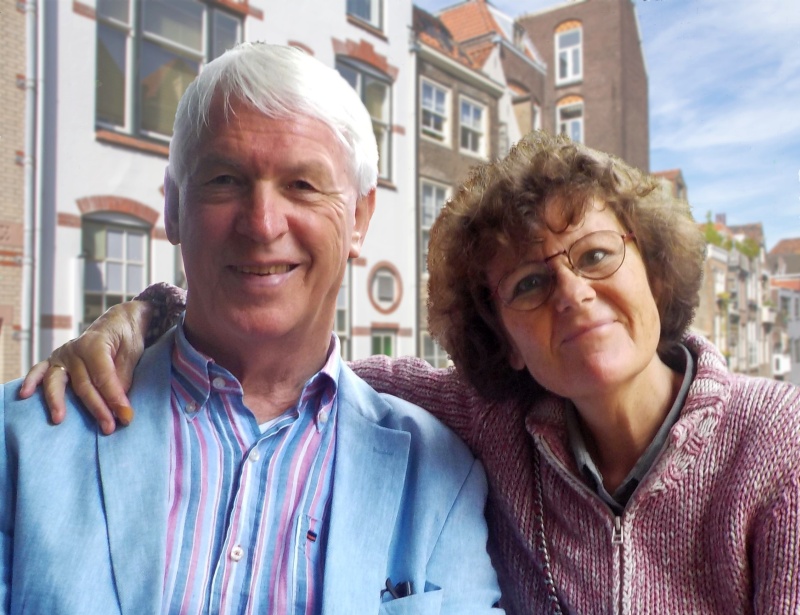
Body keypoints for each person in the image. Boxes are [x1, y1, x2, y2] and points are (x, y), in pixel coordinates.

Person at [23, 132, 800, 613]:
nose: (572, 293)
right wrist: (146, 317)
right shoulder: (493, 421)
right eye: (530, 283)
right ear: (504, 339)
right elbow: (298, 360)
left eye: (596, 254)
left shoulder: (776, 443)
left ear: (653, 272)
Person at [1, 42, 504, 614]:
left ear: (360, 218)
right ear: (172, 206)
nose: (262, 225)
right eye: (224, 179)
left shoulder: (442, 478)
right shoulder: (21, 438)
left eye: (303, 185)